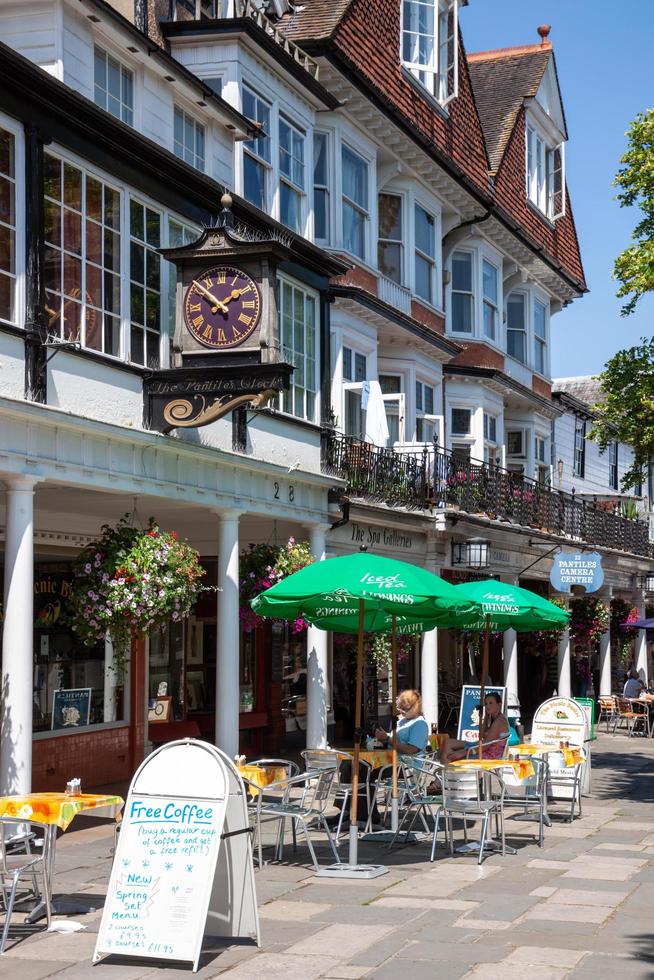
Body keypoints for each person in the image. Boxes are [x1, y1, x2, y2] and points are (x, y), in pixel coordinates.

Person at [440, 693, 509, 763]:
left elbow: (485, 746)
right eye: (486, 703)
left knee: (448, 755)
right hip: (482, 748)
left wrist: (463, 753)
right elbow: (481, 736)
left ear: (499, 704)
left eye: (491, 703)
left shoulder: (499, 722)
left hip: (488, 756)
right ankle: (447, 768)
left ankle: (445, 769)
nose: (487, 706)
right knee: (447, 743)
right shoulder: (496, 718)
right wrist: (486, 716)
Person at [374, 689, 429, 756]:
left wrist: (387, 739)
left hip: (406, 764)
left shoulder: (420, 724)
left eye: (404, 709)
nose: (400, 711)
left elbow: (411, 750)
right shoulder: (403, 720)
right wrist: (384, 736)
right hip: (392, 760)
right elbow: (397, 739)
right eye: (400, 708)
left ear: (414, 708)